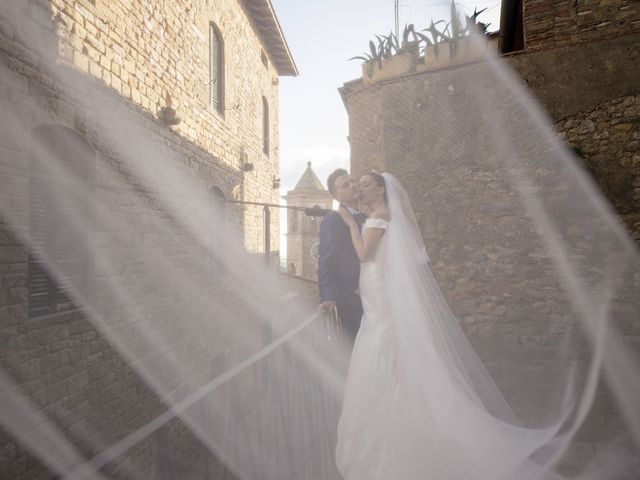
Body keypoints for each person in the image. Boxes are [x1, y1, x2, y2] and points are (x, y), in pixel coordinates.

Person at [334, 171, 574, 480]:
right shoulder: (380, 213)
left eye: (366, 185)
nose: (361, 189)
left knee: (382, 348)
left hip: (378, 292)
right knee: (386, 349)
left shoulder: (379, 215)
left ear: (381, 189)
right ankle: (393, 416)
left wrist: (352, 225)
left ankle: (391, 428)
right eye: (359, 185)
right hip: (376, 291)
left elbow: (365, 254)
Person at [317, 169, 365, 342]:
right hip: (351, 300)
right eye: (346, 185)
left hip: (372, 294)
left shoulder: (367, 216)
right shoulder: (333, 219)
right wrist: (327, 297)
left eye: (353, 180)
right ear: (336, 197)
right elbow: (326, 261)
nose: (353, 185)